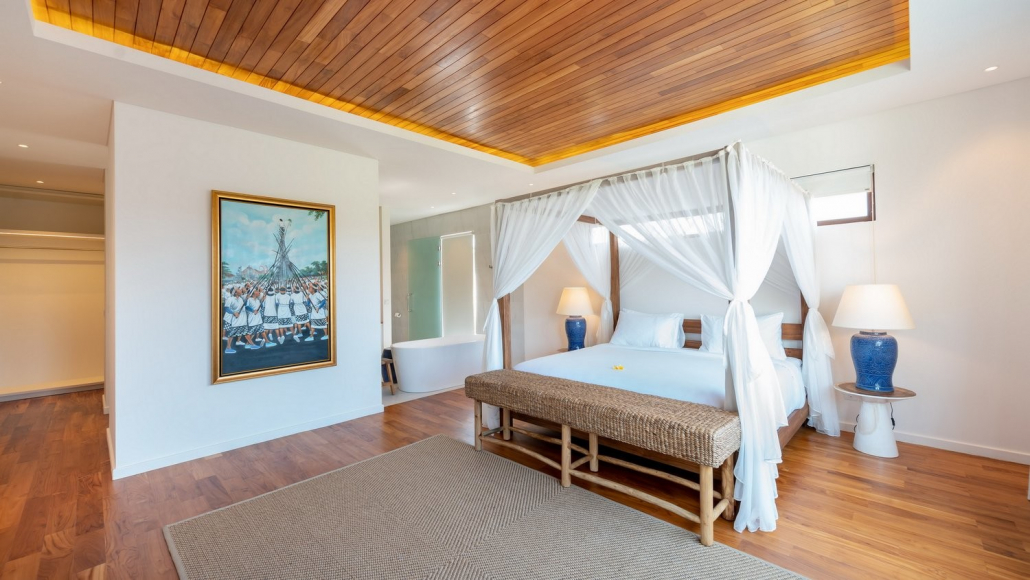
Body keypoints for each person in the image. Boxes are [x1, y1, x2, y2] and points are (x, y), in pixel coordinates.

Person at [225, 287, 247, 354]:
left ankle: (238, 341)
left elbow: (243, 307)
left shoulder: (241, 299)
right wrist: (234, 313)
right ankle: (228, 348)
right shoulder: (230, 299)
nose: (241, 290)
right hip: (235, 318)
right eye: (238, 289)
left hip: (242, 318)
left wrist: (246, 300)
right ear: (235, 292)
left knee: (240, 330)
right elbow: (226, 308)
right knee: (232, 333)